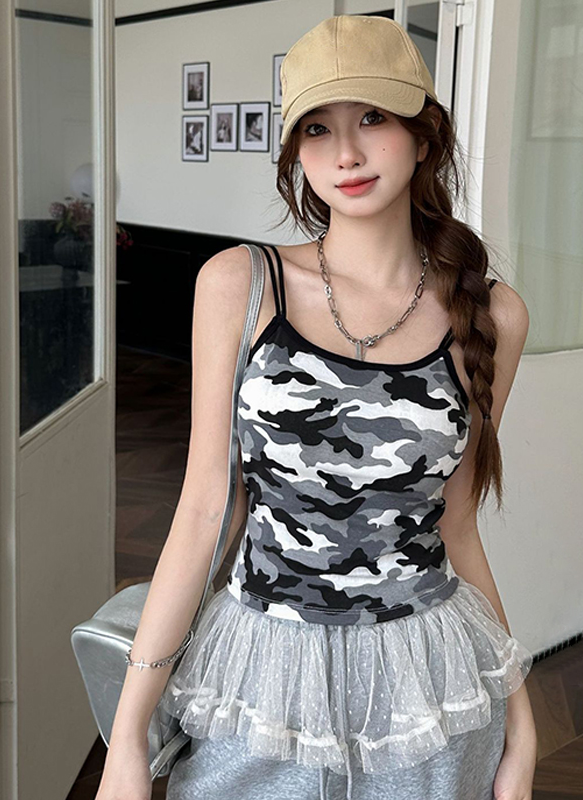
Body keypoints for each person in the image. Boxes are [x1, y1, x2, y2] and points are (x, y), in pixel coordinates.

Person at [96, 14, 536, 800]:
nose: (346, 154)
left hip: (428, 684)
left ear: (424, 136)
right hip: (263, 676)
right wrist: (127, 741)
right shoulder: (240, 284)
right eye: (317, 128)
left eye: (373, 117)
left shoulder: (493, 315)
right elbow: (204, 512)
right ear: (295, 152)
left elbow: (458, 526)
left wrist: (522, 722)